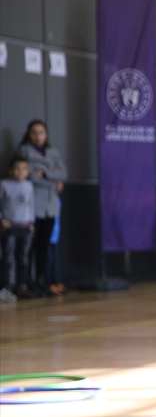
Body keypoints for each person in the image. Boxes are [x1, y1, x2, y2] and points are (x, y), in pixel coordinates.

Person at [14, 120, 67, 293]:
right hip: (32, 205)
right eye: (34, 133)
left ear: (47, 134)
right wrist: (53, 178)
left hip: (50, 206)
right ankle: (27, 282)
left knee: (44, 246)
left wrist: (45, 174)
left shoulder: (54, 152)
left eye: (41, 132)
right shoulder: (24, 151)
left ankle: (42, 280)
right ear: (29, 135)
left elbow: (64, 174)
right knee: (30, 246)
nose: (38, 137)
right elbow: (29, 177)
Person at [1, 158, 36, 299]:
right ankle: (4, 287)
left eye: (24, 169)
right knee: (7, 258)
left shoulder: (29, 186)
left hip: (25, 226)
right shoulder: (4, 184)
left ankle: (21, 286)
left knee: (23, 258)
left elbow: (31, 204)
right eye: (17, 168)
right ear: (10, 170)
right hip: (10, 226)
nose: (20, 171)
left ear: (28, 172)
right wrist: (1, 219)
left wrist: (32, 222)